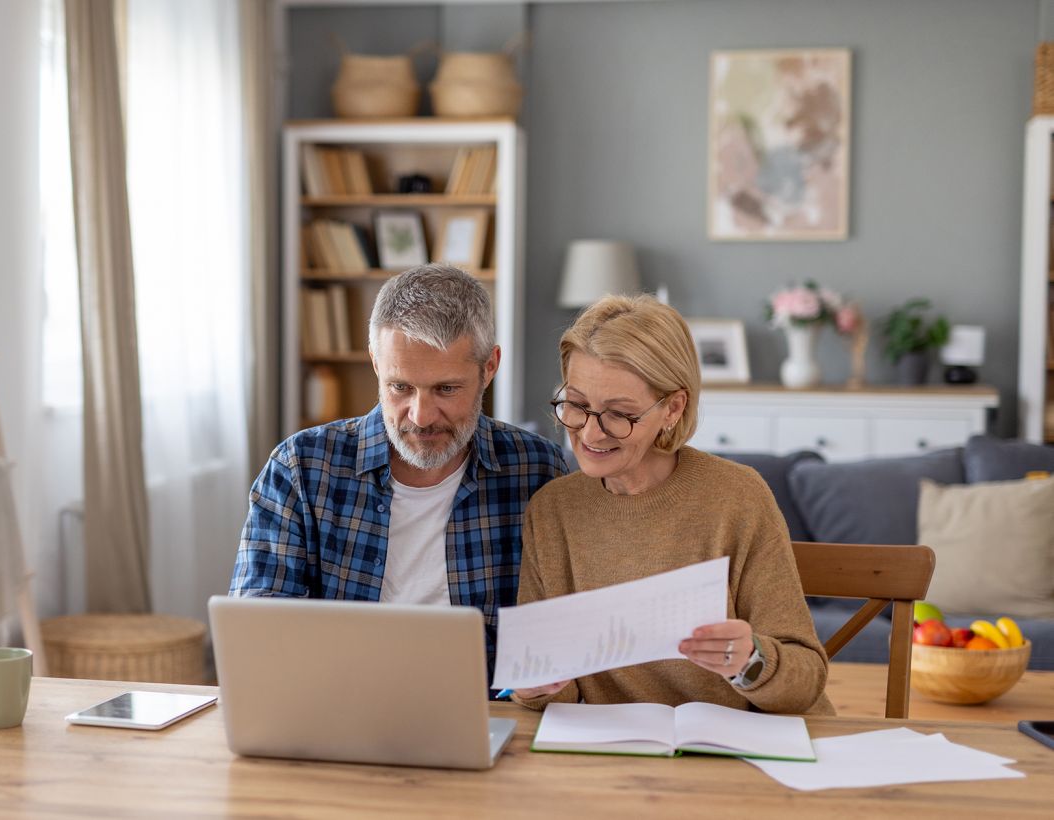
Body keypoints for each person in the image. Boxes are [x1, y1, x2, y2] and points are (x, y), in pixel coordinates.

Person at [230, 264, 568, 675]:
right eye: (400, 387)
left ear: (489, 367)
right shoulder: (300, 469)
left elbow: (559, 624)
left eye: (446, 389)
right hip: (339, 707)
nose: (421, 417)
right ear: (375, 363)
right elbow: (258, 632)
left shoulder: (536, 470)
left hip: (486, 711)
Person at [513, 294, 834, 715]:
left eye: (619, 414)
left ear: (672, 407)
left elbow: (804, 677)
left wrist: (750, 661)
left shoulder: (737, 497)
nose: (590, 434)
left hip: (732, 753)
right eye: (576, 405)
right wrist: (538, 686)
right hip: (611, 756)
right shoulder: (552, 510)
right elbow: (554, 693)